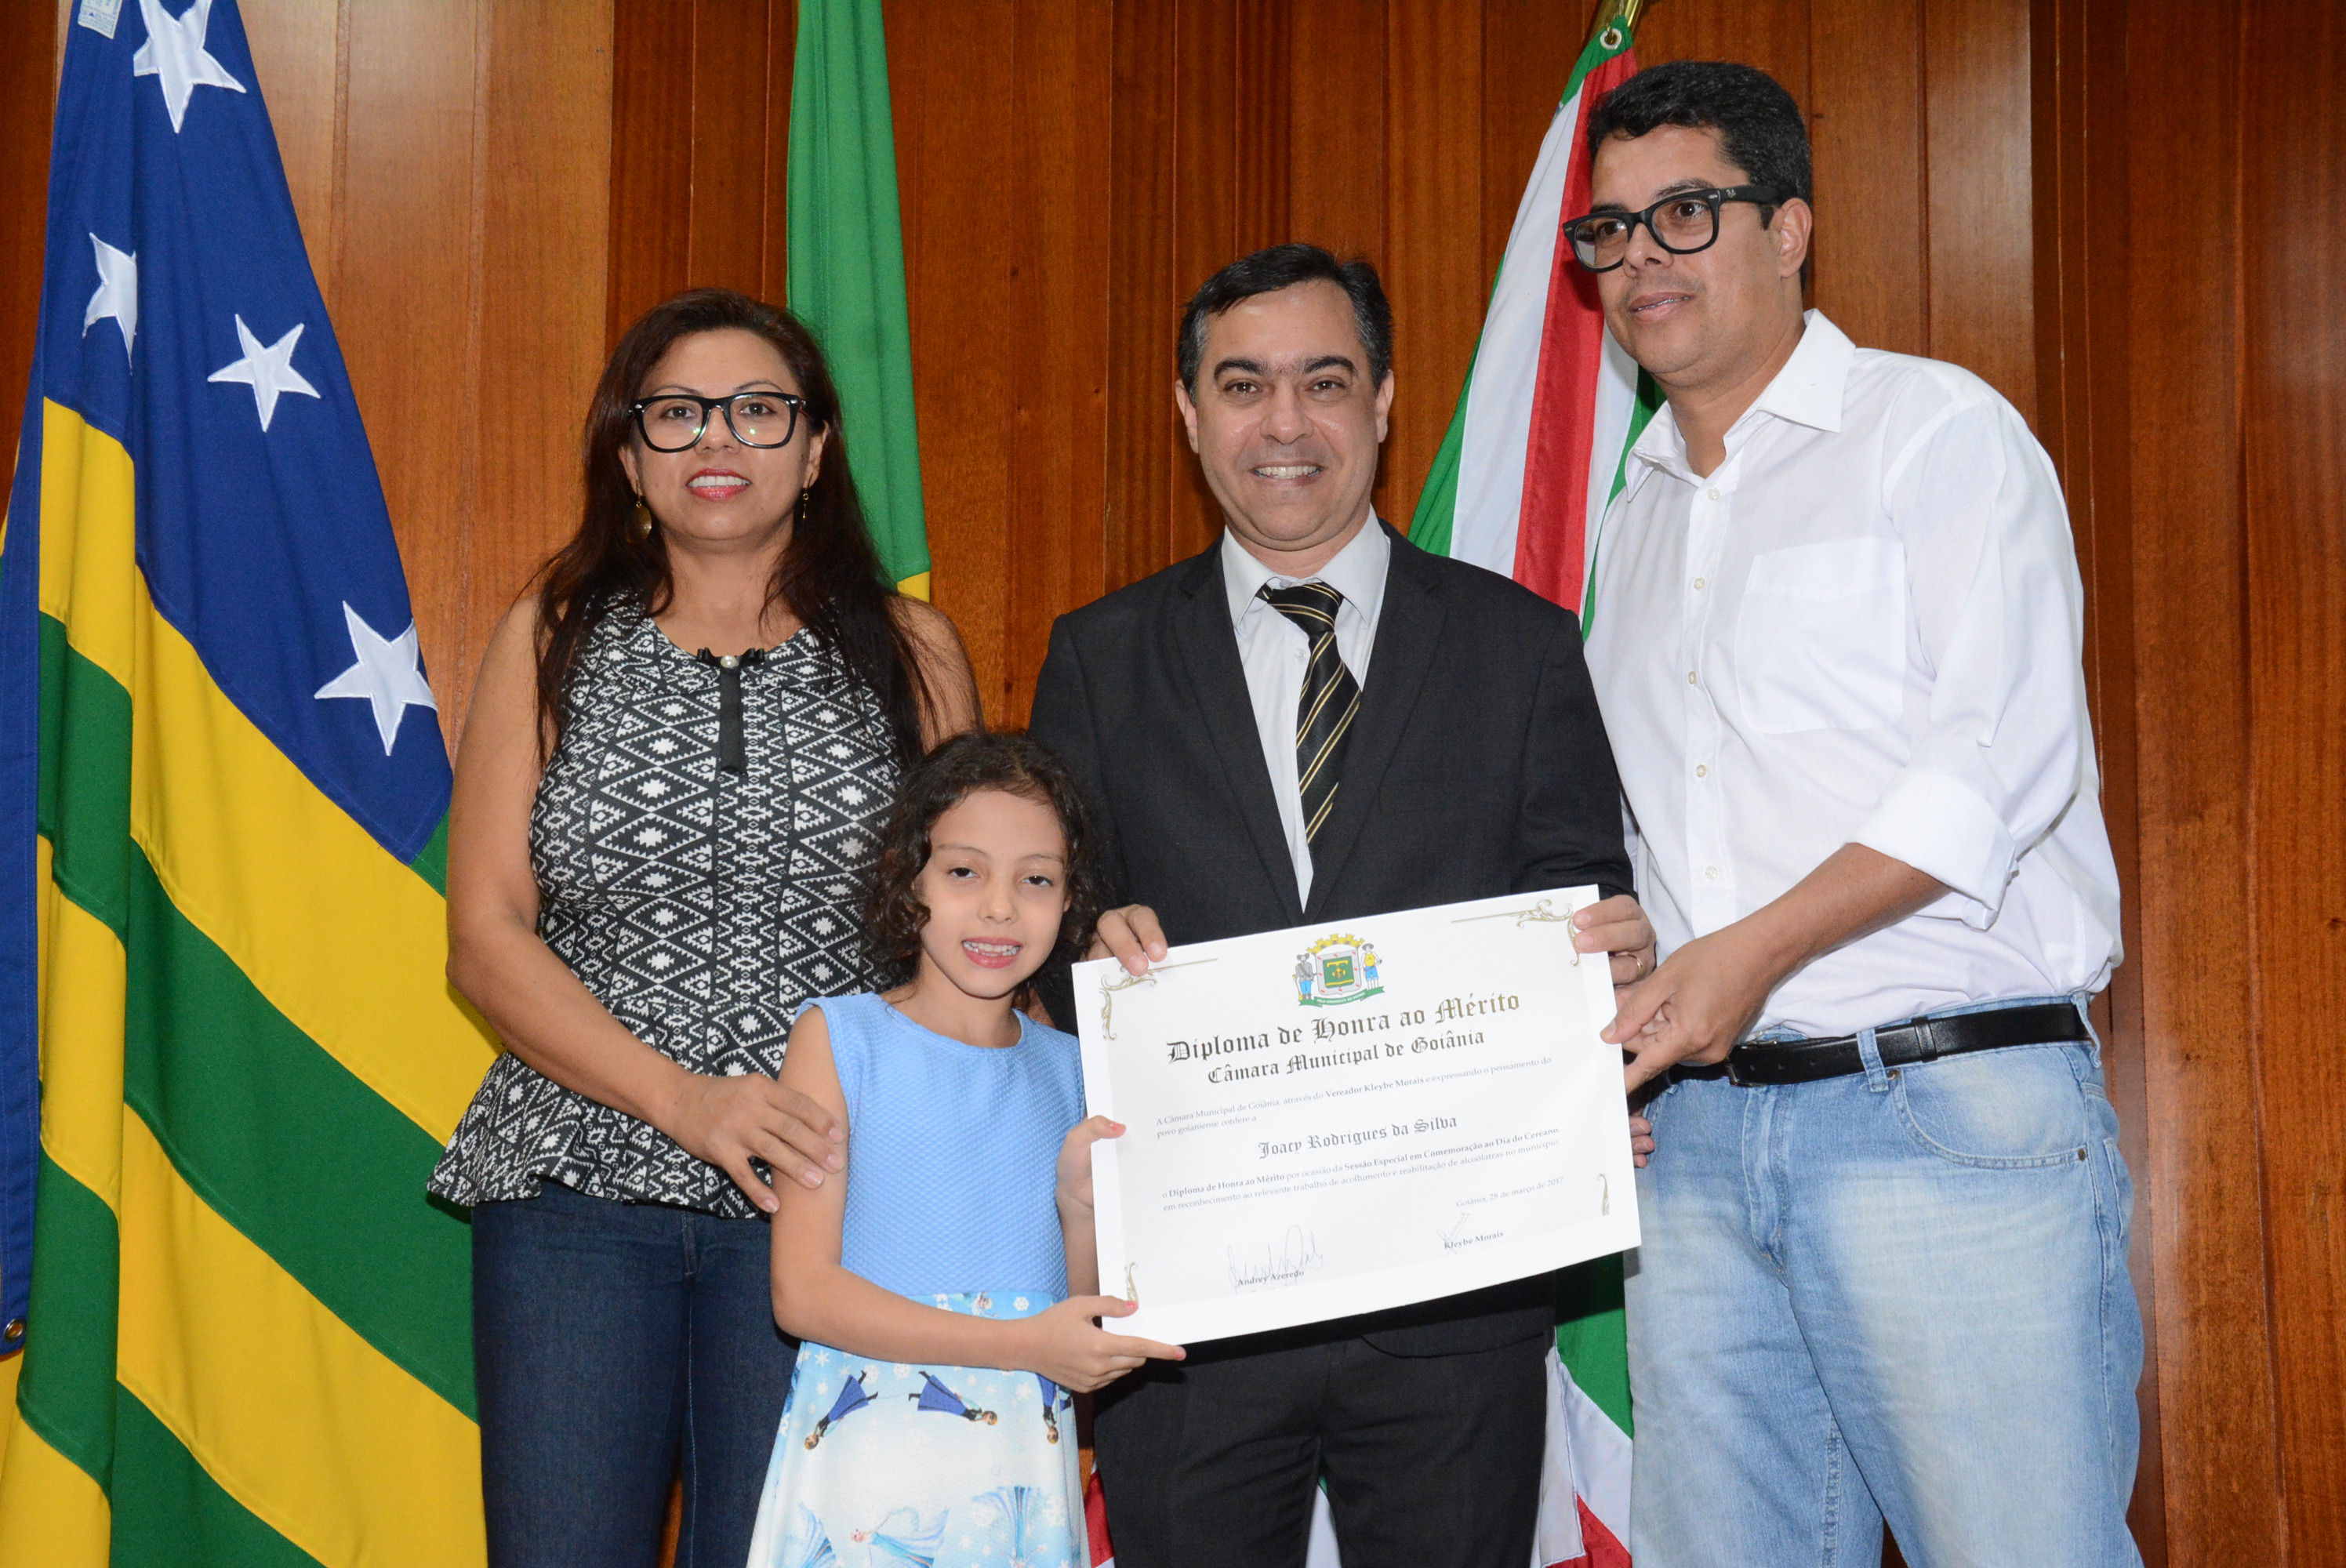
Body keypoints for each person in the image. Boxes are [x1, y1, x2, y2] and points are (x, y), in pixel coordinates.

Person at [1568, 61, 2139, 1567]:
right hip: (1696, 1145)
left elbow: (1994, 764)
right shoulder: (1633, 522)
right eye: (1609, 230)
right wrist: (1631, 960)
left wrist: (1749, 951)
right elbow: (1670, 842)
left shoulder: (1932, 431)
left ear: (1789, 226)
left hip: (1939, 1111)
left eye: (1684, 213)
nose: (1639, 258)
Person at [1027, 243, 1657, 1568]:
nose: (1285, 423)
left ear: (1382, 401)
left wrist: (1600, 978)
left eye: (1323, 382)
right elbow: (1051, 931)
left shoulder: (1518, 644)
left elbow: (1584, 900)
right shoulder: (1099, 655)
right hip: (1193, 1316)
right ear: (1189, 412)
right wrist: (1084, 941)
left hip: (1457, 1307)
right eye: (1242, 385)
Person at [429, 288, 980, 1568]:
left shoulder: (913, 652)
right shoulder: (551, 638)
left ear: (816, 448)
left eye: (758, 411)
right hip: (573, 1193)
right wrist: (686, 1102)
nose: (717, 440)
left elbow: (972, 931)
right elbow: (486, 936)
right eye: (675, 413)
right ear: (628, 457)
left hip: (831, 1193)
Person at [746, 731, 1184, 1568]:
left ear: (1070, 900)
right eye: (963, 872)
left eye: (1036, 879)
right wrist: (1023, 1345)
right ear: (908, 876)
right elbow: (801, 1293)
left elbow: (1085, 1318)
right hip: (865, 1481)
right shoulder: (840, 1038)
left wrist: (1079, 1208)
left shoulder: (1076, 1069)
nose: (999, 908)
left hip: (1021, 1473)